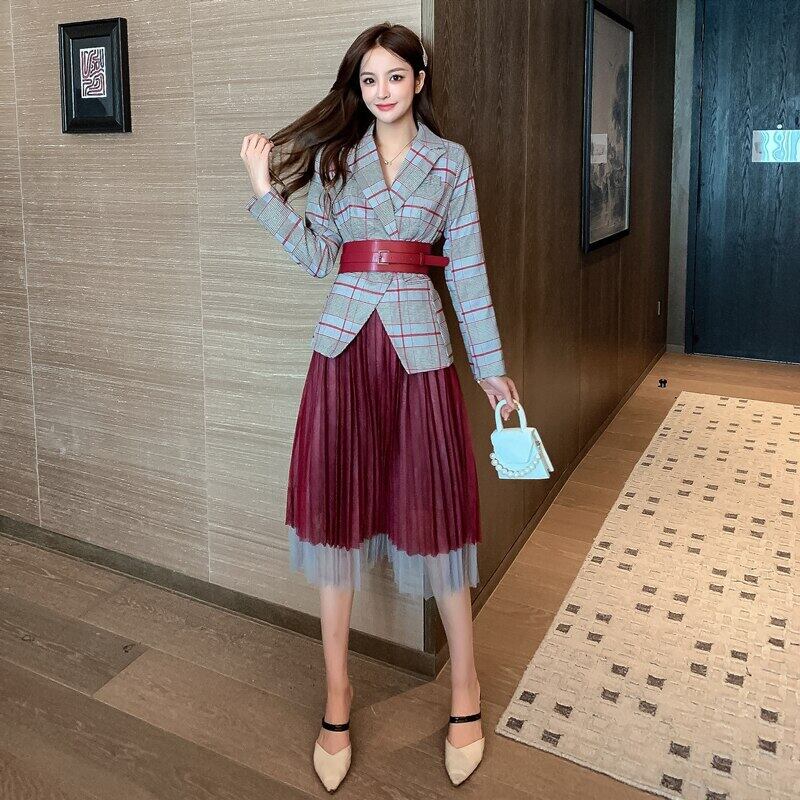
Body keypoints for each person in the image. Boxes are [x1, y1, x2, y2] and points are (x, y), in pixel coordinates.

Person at [240, 21, 519, 792]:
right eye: (370, 80)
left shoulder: (450, 163)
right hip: (341, 353)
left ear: (419, 81)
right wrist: (264, 194)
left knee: (437, 519)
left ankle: (465, 687)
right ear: (358, 88)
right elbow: (319, 257)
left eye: (396, 76)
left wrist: (491, 369)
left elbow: (468, 271)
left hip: (420, 354)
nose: (382, 91)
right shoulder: (338, 161)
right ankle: (337, 693)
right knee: (336, 517)